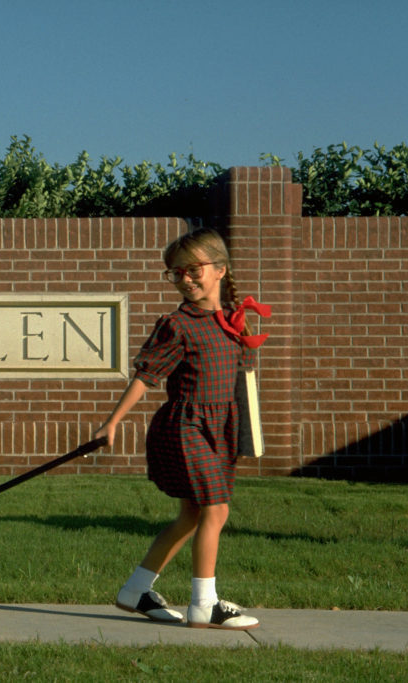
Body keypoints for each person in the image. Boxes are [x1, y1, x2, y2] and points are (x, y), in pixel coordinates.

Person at [94, 228, 269, 631]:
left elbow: (242, 382)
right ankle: (204, 604)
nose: (185, 279)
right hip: (186, 426)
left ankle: (135, 590)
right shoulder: (178, 325)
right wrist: (113, 421)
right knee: (216, 509)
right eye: (175, 273)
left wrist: (246, 433)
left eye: (193, 270)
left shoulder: (232, 322)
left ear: (220, 269)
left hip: (221, 427)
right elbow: (146, 375)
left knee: (191, 514)